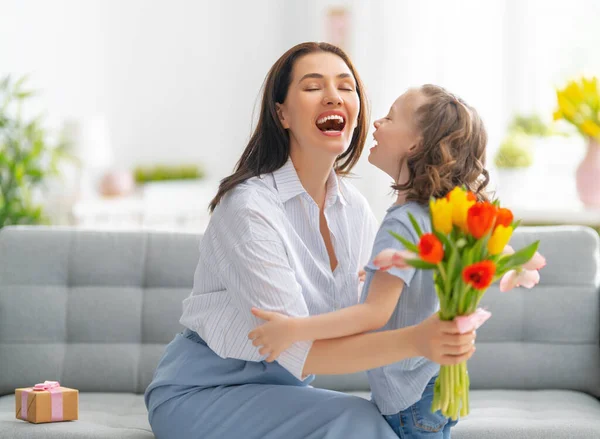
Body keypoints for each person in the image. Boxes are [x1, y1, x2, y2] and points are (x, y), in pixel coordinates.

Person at [144, 42, 477, 439]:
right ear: (281, 113)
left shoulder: (355, 209)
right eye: (313, 86)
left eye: (346, 86)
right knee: (362, 425)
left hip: (285, 392)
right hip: (203, 393)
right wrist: (417, 342)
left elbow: (368, 314)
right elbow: (297, 354)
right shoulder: (249, 208)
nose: (333, 95)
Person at [249, 84, 490, 438]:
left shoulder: (404, 220)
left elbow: (373, 314)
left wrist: (292, 330)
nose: (375, 123)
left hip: (409, 398)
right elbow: (427, 284)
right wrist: (379, 279)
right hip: (433, 388)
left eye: (391, 117)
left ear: (415, 145)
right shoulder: (438, 215)